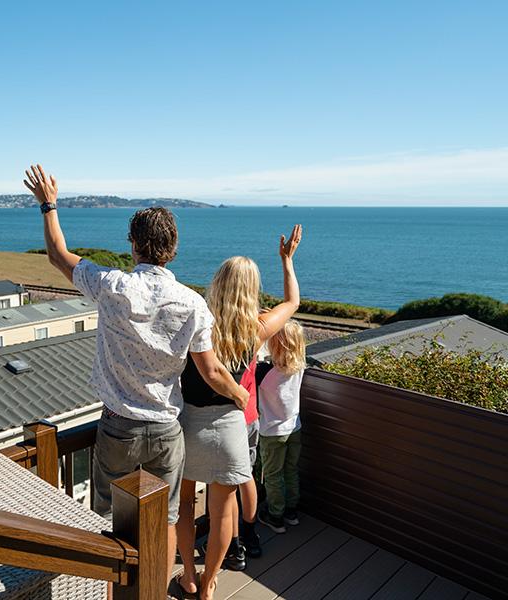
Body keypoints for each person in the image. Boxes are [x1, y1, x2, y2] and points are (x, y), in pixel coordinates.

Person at [23, 164, 249, 592]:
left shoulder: (111, 285)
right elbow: (212, 371)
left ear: (133, 246)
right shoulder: (194, 304)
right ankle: (153, 593)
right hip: (167, 430)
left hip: (118, 426)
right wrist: (239, 395)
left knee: (109, 522)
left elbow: (56, 254)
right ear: (174, 249)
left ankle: (109, 590)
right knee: (164, 520)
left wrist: (49, 204)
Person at [175, 225, 302, 600]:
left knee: (182, 505)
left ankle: (188, 574)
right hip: (231, 426)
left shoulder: (196, 322)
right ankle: (210, 582)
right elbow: (293, 302)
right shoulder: (256, 328)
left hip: (189, 424)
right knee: (222, 509)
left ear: (217, 283)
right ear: (251, 290)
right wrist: (287, 261)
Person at [256, 319, 307, 533]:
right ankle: (291, 511)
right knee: (291, 470)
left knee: (273, 475)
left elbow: (252, 360)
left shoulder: (265, 372)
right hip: (294, 427)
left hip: (272, 432)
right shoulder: (300, 368)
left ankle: (275, 515)